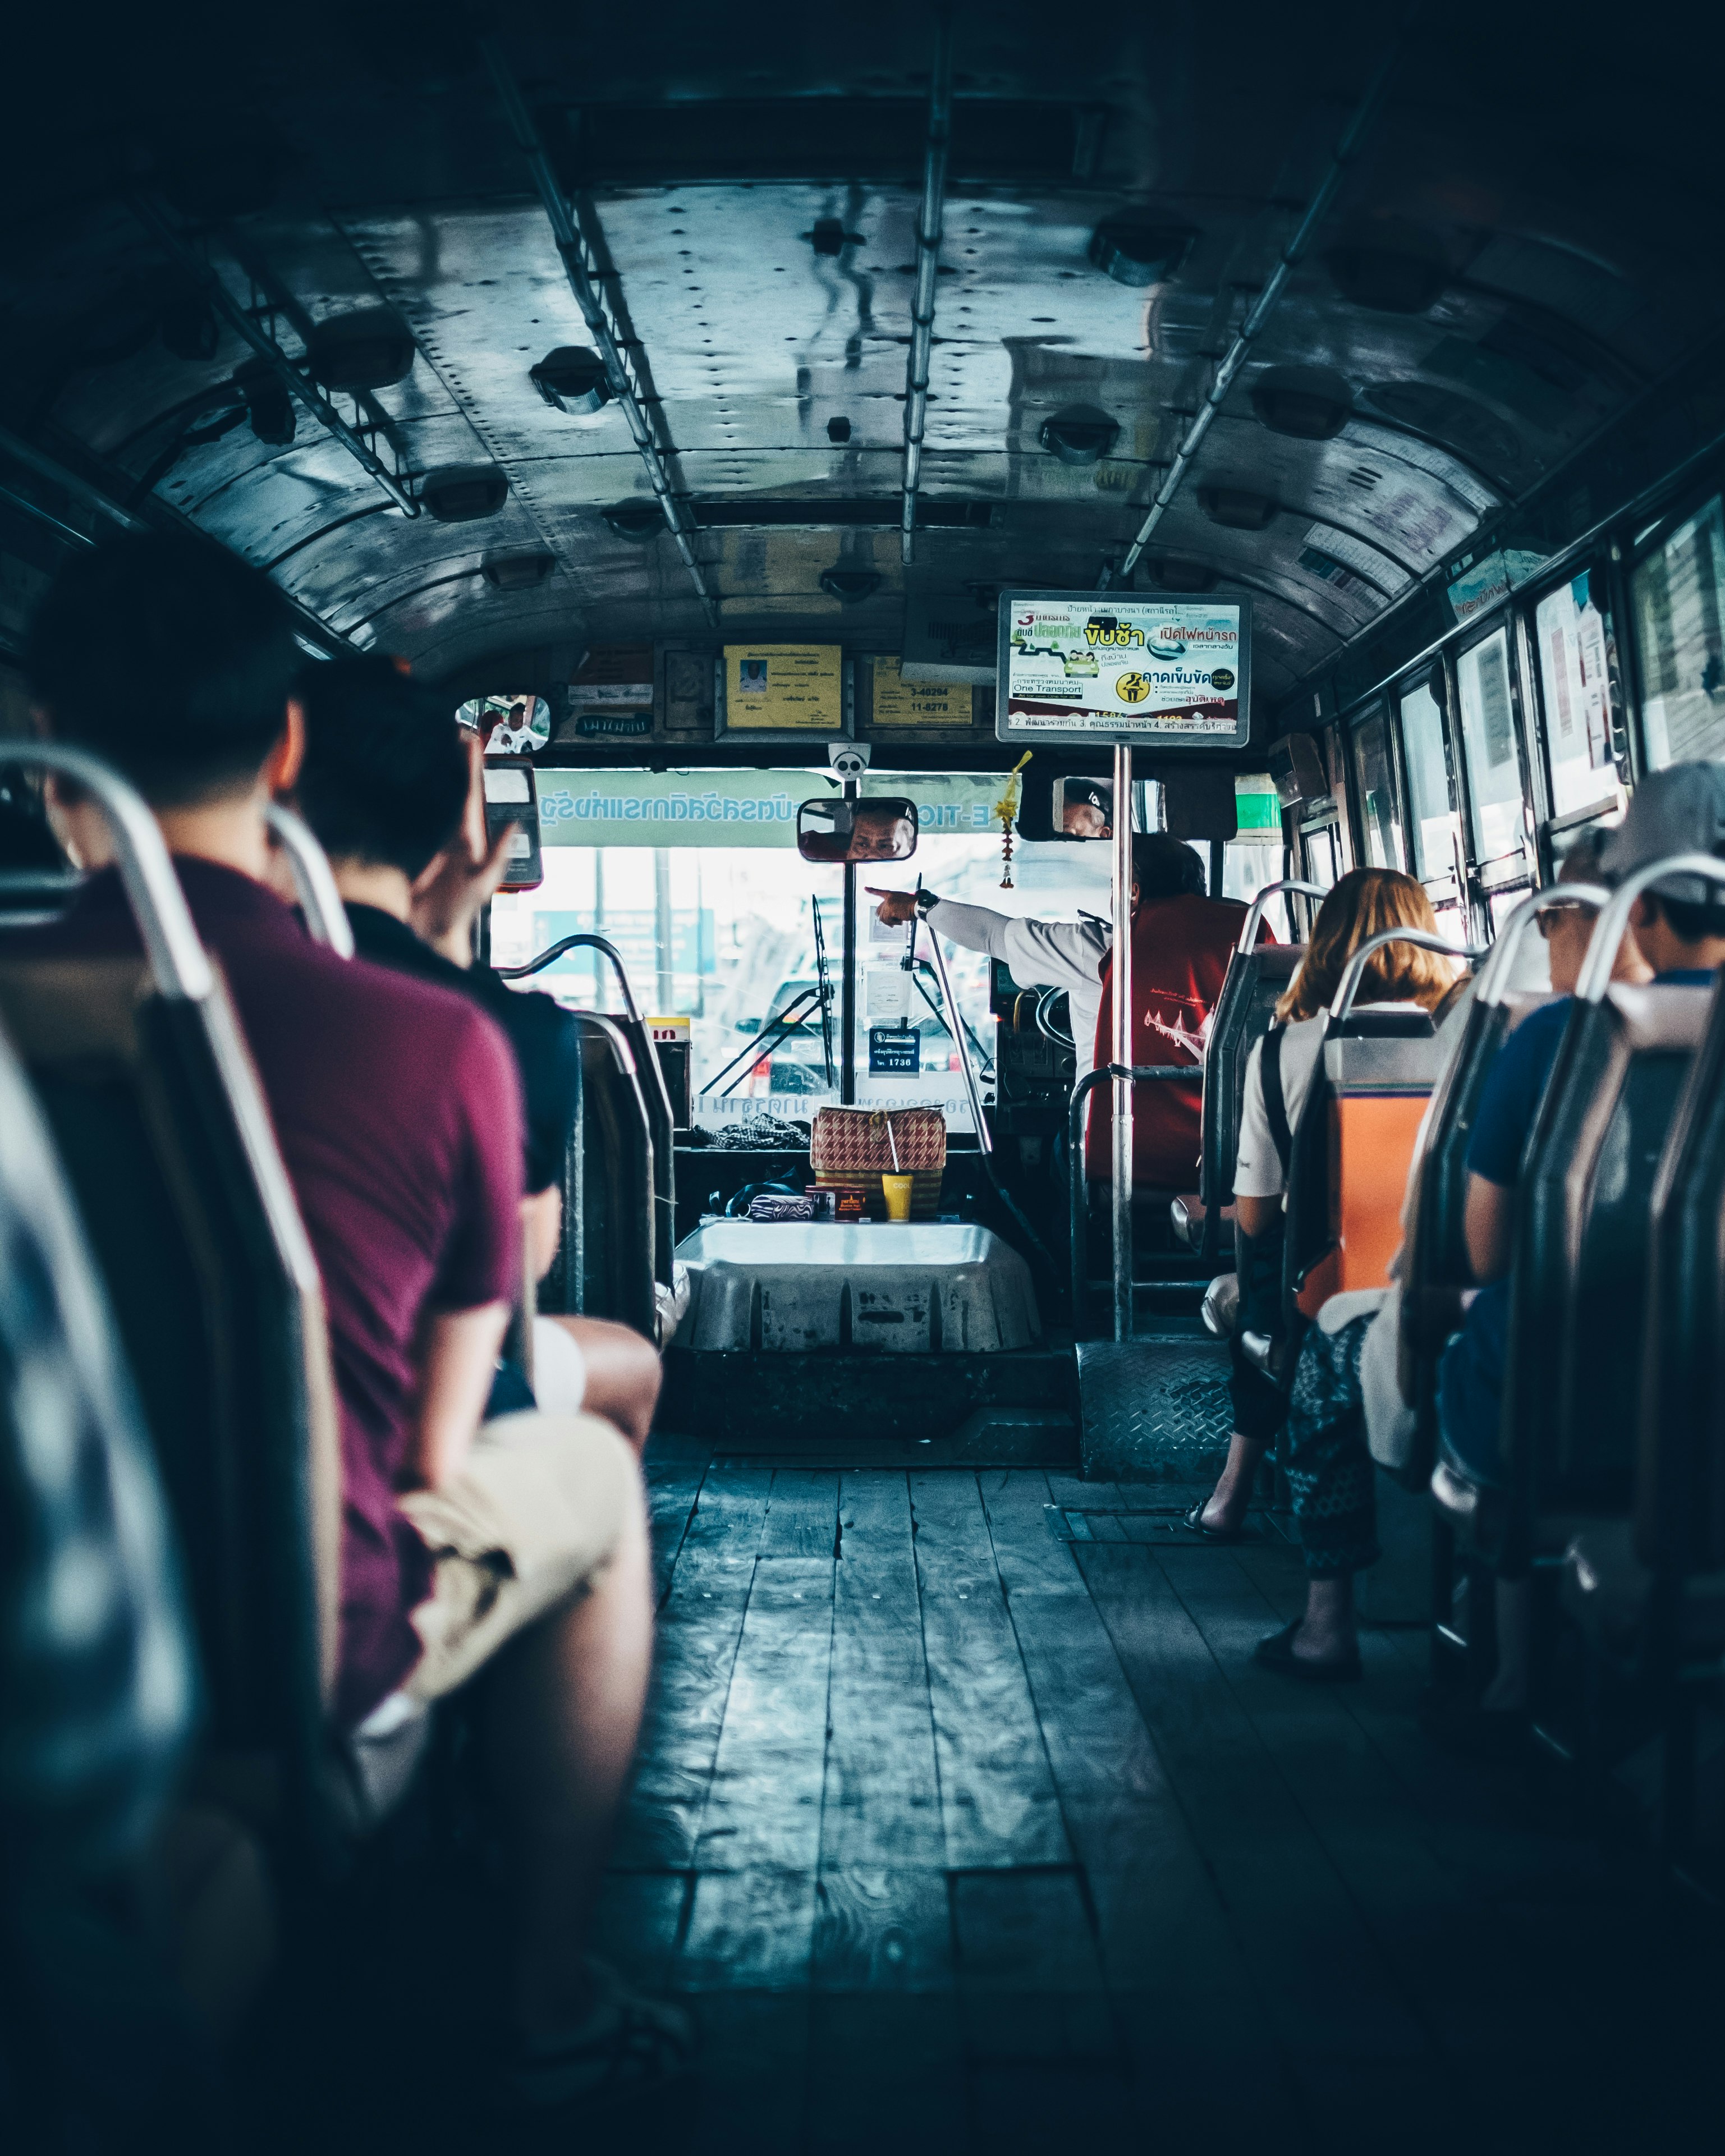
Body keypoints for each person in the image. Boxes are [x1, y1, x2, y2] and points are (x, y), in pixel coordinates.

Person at [17, 536, 687, 2103]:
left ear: (45, 731)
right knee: (589, 1480)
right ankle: (538, 1994)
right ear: (288, 747)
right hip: (289, 1640)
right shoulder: (431, 1040)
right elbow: (434, 1443)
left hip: (40, 1624)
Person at [293, 654, 662, 1451]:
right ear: (463, 836)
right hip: (404, 1418)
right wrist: (453, 953)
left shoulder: (206, 967)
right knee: (630, 1368)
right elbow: (514, 1267)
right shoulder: (502, 1032)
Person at [1438, 768, 1725, 1503]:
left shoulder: (1555, 1039)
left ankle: (1507, 1592)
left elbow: (1488, 1251)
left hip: (1565, 1403)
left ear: (1640, 905)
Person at [1187, 869, 1459, 1554]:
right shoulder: (1467, 1043)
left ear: (1324, 944)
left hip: (1325, 1283)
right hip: (1443, 1272)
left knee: (1265, 1288)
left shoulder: (1280, 1049)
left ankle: (1232, 1491)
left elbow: (1252, 1215)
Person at [871, 834, 1259, 1145]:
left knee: (1052, 1154)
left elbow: (991, 935)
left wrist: (919, 906)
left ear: (1134, 893)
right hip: (1230, 1149)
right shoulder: (1252, 952)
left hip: (1122, 1145)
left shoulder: (1103, 950)